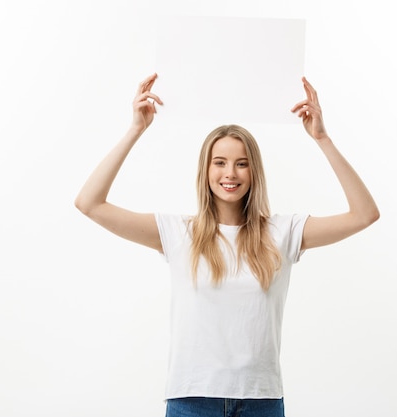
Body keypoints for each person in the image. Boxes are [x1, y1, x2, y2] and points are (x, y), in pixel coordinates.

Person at [74, 73, 379, 417]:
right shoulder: (178, 233)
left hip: (260, 401)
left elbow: (365, 214)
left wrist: (322, 138)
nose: (230, 173)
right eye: (219, 163)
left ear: (254, 171)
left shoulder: (283, 232)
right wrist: (135, 129)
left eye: (241, 163)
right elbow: (89, 203)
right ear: (205, 170)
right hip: (192, 399)